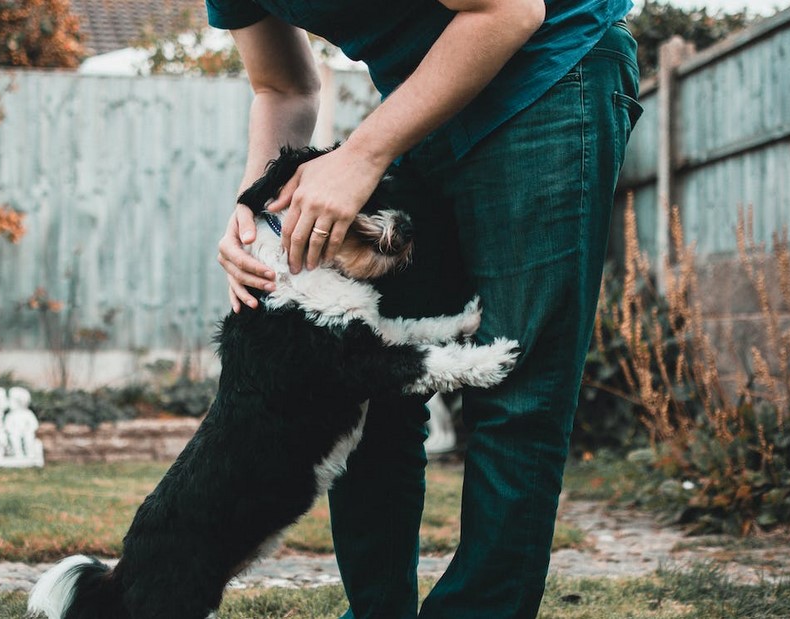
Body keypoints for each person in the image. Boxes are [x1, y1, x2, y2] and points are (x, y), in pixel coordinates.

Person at [212, 0, 641, 617]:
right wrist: (256, 209)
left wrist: (361, 154)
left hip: (546, 69)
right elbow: (282, 86)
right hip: (423, 99)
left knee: (518, 383)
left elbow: (508, 11)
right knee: (365, 381)